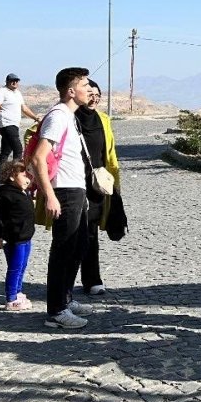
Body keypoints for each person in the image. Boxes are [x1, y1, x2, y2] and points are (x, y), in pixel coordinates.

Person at [32, 67, 96, 329]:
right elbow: (38, 157)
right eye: (84, 84)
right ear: (71, 91)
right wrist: (49, 195)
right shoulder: (58, 116)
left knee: (78, 246)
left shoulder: (70, 116)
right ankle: (56, 311)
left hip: (76, 190)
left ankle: (66, 299)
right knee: (63, 249)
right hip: (64, 192)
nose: (90, 89)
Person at [75, 80, 121, 297]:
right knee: (71, 233)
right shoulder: (69, 117)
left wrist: (115, 182)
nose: (94, 98)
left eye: (98, 95)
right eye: (90, 94)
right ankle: (64, 280)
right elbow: (33, 134)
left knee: (91, 232)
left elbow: (109, 154)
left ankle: (92, 279)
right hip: (73, 183)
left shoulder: (103, 120)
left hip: (96, 184)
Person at [0, 160, 36, 311]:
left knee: (22, 266)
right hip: (14, 239)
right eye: (24, 175)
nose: (28, 179)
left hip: (26, 238)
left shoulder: (23, 192)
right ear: (12, 177)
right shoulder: (5, 196)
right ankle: (11, 298)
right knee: (14, 268)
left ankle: (18, 291)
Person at [0, 73, 40, 184]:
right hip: (6, 124)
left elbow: (24, 108)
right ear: (7, 81)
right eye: (12, 80)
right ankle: (15, 177)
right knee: (18, 150)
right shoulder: (1, 92)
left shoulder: (17, 93)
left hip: (14, 124)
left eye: (16, 81)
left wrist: (35, 117)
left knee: (5, 152)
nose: (15, 82)